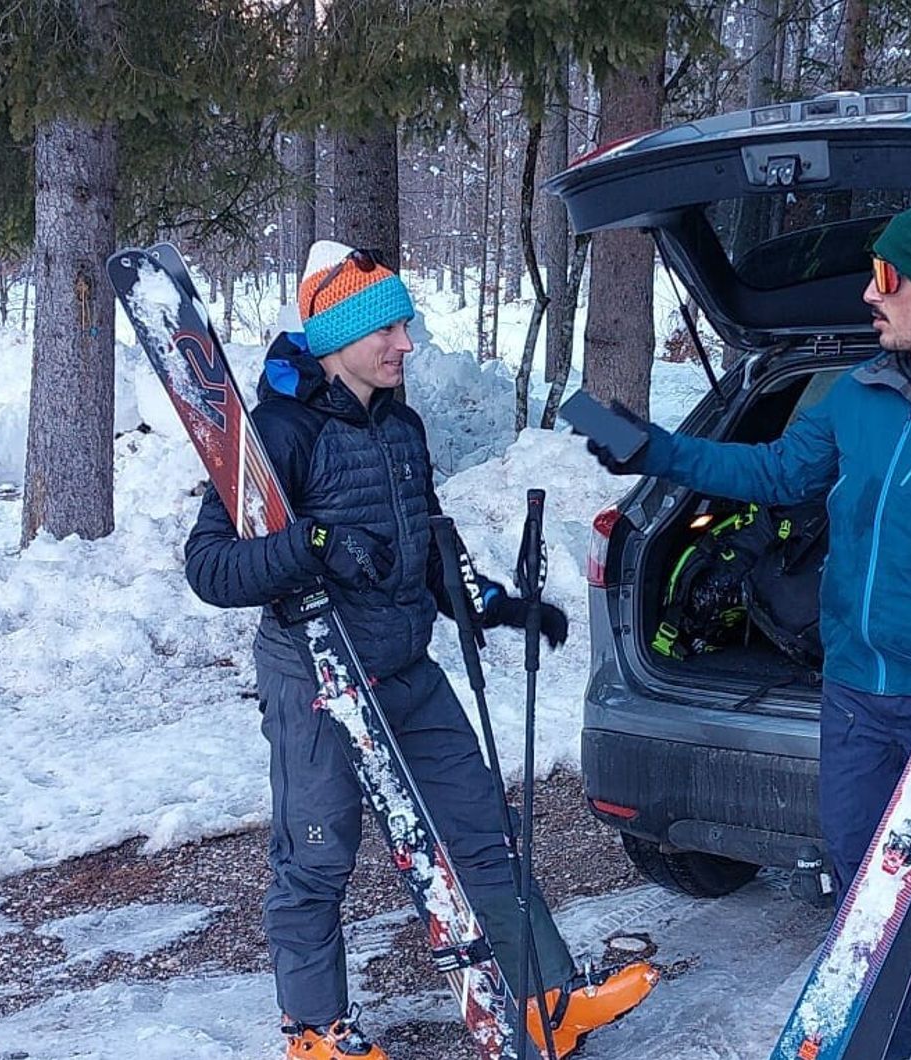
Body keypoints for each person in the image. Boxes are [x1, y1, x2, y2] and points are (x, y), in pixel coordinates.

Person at [586, 201, 911, 1060]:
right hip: (852, 696)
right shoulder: (859, 391)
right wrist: (654, 449)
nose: (868, 296)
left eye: (886, 277)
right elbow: (778, 470)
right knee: (863, 907)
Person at [185, 240, 655, 1060]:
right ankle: (316, 1033)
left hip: (406, 667)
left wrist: (496, 605)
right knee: (316, 857)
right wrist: (316, 543)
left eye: (405, 326)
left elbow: (432, 542)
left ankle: (543, 999)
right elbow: (211, 566)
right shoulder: (276, 436)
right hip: (319, 677)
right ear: (337, 338)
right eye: (389, 330)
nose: (406, 344)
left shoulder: (400, 425)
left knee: (483, 830)